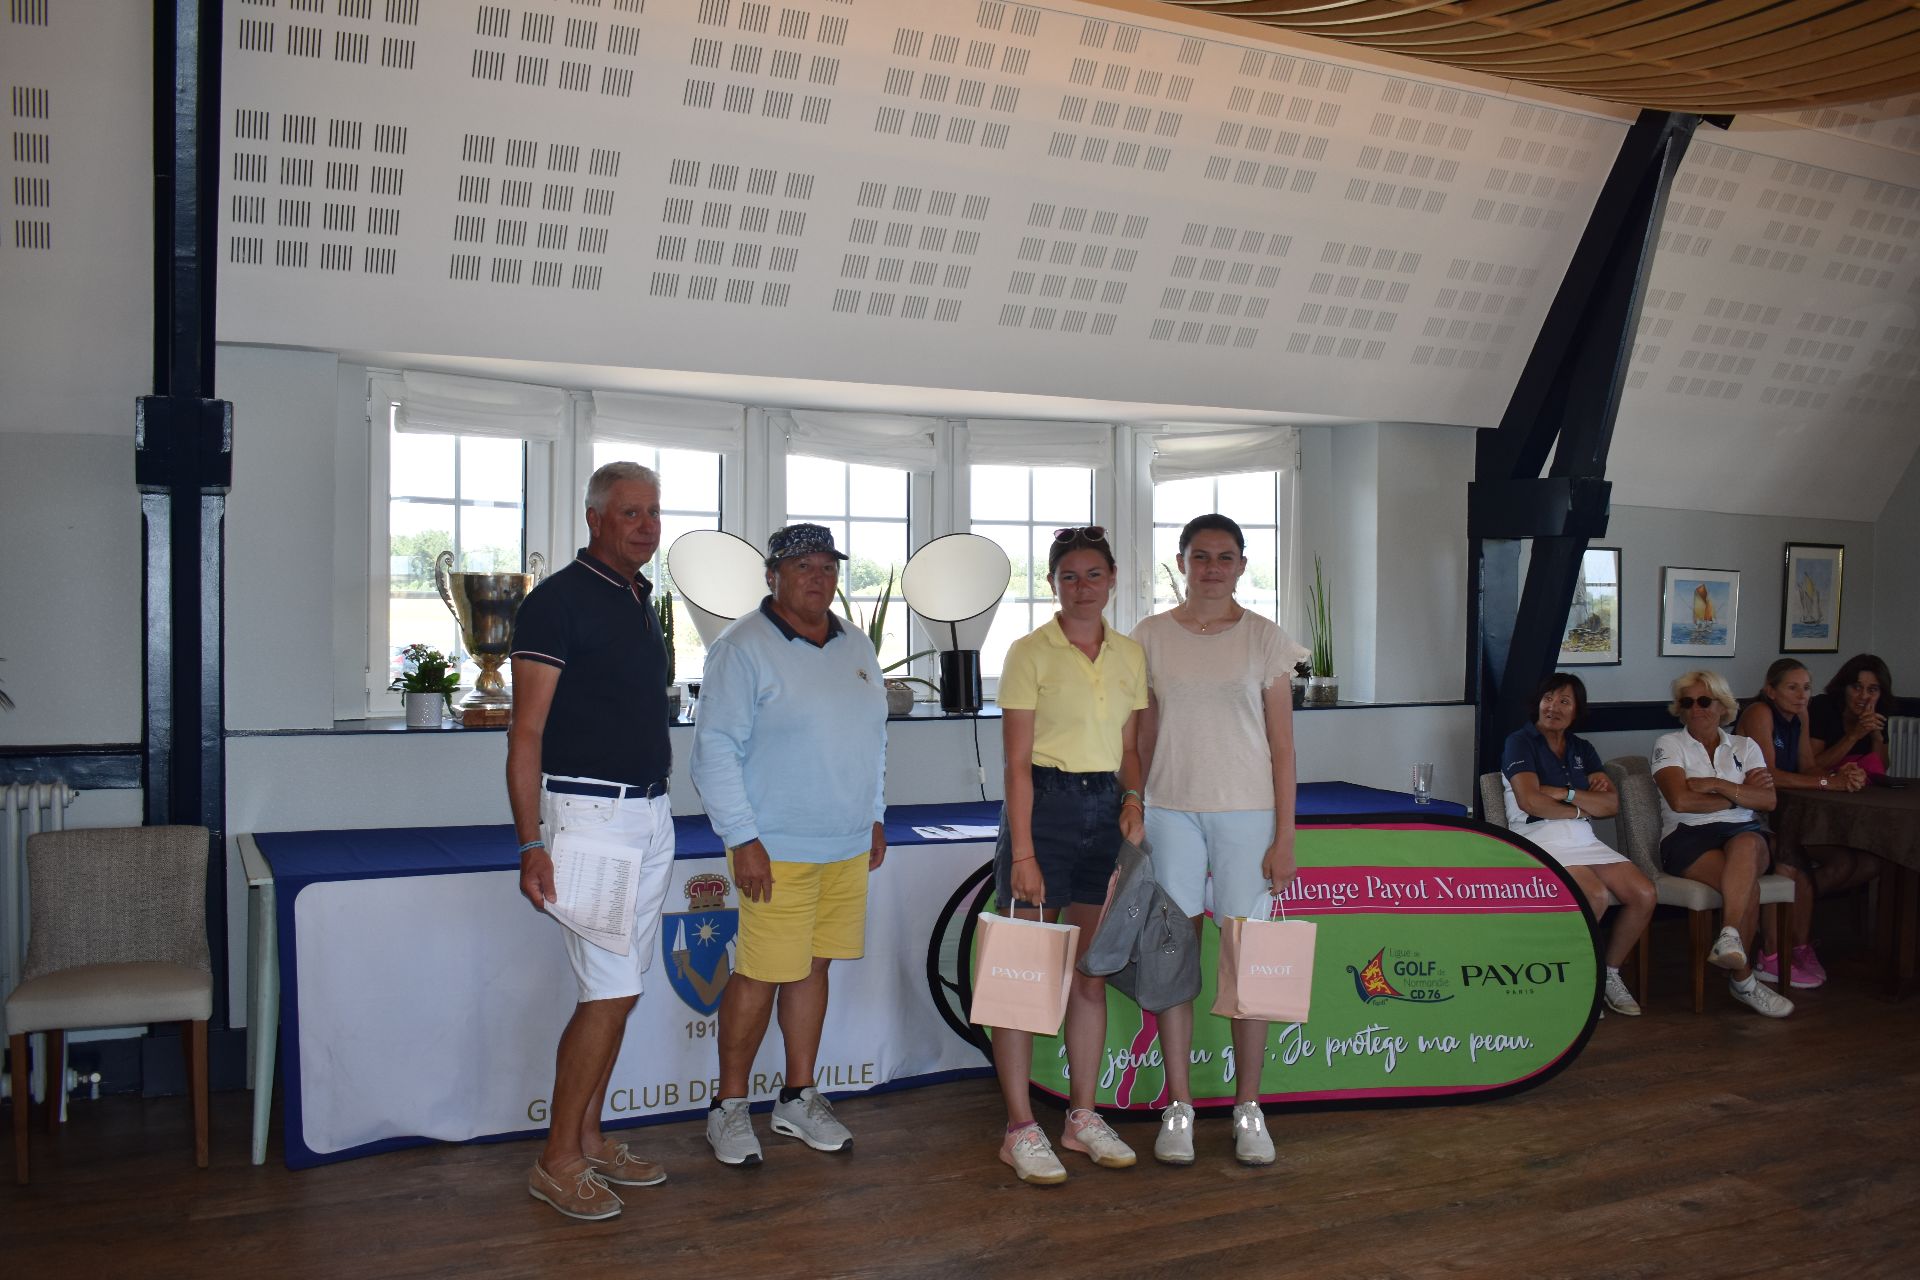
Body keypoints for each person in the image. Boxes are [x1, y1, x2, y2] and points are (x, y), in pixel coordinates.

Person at [507, 461, 678, 1221]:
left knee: (621, 991)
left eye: (654, 513)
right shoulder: (556, 604)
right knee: (607, 994)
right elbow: (525, 734)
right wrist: (530, 845)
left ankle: (589, 1138)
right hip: (589, 820)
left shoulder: (638, 597)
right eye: (630, 512)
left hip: (649, 815)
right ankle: (557, 1162)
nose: (646, 526)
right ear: (594, 518)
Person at [689, 523, 889, 1168]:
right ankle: (728, 1107)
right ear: (772, 575)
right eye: (803, 566)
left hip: (846, 844)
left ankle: (798, 1098)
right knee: (759, 973)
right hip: (773, 848)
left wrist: (874, 815)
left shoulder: (856, 643)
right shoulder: (741, 647)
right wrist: (742, 839)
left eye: (828, 566)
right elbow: (714, 751)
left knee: (814, 967)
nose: (818, 578)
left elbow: (873, 740)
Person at [1130, 513, 1304, 1167]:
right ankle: (1178, 1106)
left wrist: (1285, 836)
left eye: (1224, 557)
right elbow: (1141, 735)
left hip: (1248, 816)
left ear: (1241, 565)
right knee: (1173, 958)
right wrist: (1135, 805)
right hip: (1169, 812)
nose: (1211, 568)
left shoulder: (1265, 639)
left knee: (1247, 962)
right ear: (1181, 563)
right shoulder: (1150, 636)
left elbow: (1283, 747)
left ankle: (1248, 1107)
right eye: (1199, 556)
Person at [991, 526, 1147, 1186]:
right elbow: (1015, 764)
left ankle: (1082, 1117)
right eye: (1069, 576)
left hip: (1105, 815)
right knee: (1022, 976)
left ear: (1112, 579)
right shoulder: (1029, 652)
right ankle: (1020, 1129)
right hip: (1044, 812)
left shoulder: (1130, 655)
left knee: (1090, 974)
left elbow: (1130, 748)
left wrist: (1133, 797)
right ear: (1053, 583)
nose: (1082, 587)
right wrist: (1023, 853)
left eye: (1094, 575)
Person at [1501, 672, 1655, 1017]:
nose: (1553, 707)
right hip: (1539, 838)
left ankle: (1608, 973)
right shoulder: (1520, 742)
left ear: (1576, 710)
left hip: (1584, 838)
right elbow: (1530, 801)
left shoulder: (1582, 748)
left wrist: (1564, 793)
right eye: (1548, 698)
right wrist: (1582, 805)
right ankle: (1571, 980)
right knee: (1595, 895)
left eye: (1564, 701)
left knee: (1644, 893)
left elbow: (1611, 805)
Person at [1651, 670, 1793, 1018]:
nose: (1696, 709)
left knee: (1747, 844)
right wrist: (1740, 796)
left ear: (1722, 705)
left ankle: (1728, 937)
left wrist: (1717, 784)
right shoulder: (1669, 744)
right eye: (1687, 702)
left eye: (1704, 701)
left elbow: (1768, 800)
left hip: (1744, 833)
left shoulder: (1745, 746)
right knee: (1747, 888)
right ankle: (1743, 980)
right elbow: (1681, 801)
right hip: (1687, 835)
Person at [1736, 659, 1872, 988]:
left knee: (1845, 860)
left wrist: (1840, 775)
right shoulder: (1759, 712)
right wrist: (1828, 783)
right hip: (1747, 812)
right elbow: (1768, 775)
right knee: (1790, 863)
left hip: (1786, 814)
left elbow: (1808, 767)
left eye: (1807, 688)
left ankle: (1799, 946)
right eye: (1792, 687)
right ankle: (1772, 954)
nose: (1801, 696)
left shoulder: (1801, 715)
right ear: (1771, 690)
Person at [1808, 653, 1896, 780]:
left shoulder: (1879, 710)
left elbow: (1880, 769)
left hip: (1859, 784)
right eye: (1857, 687)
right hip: (1824, 782)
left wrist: (1876, 738)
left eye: (1872, 690)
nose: (1864, 696)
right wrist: (1853, 735)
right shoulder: (1823, 706)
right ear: (1844, 688)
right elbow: (1811, 766)